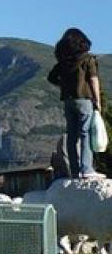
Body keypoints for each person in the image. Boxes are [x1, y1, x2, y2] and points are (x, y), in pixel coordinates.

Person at [47, 27, 104, 179]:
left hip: (68, 100)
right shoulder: (88, 59)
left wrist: (64, 85)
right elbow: (93, 80)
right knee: (85, 133)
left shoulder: (63, 63)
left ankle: (74, 171)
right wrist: (98, 100)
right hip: (84, 100)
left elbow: (51, 77)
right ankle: (87, 168)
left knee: (72, 137)